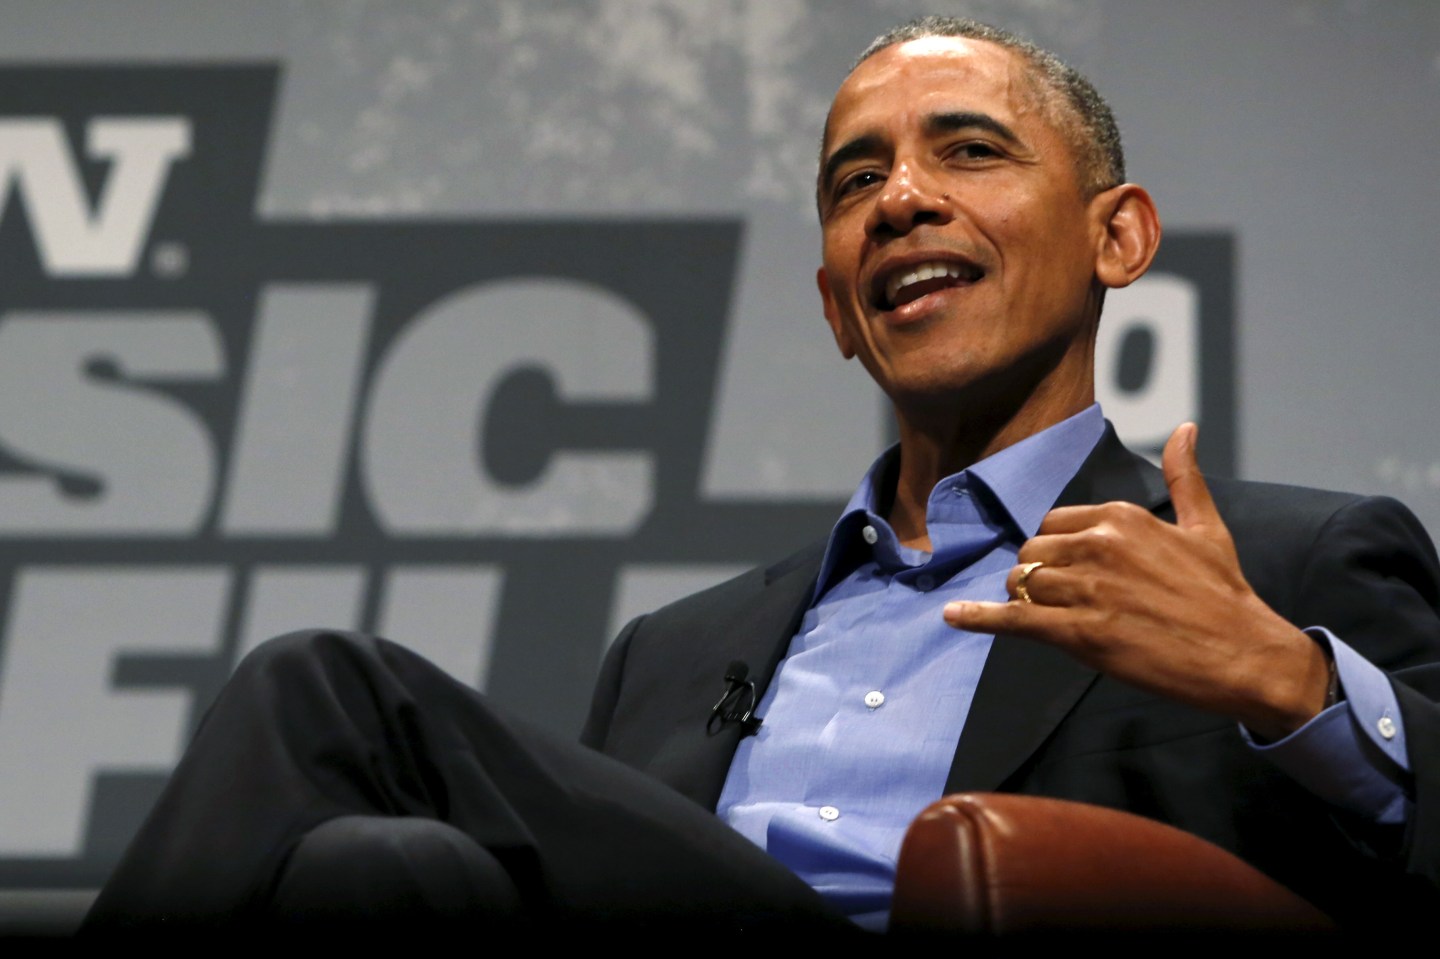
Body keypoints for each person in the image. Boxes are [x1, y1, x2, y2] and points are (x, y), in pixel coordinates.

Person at [81, 15, 1440, 940]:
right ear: (841, 307)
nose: (899, 199)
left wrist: (1297, 688)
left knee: (329, 692)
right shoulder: (676, 653)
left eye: (970, 150)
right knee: (379, 872)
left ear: (1119, 237)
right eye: (856, 181)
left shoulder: (1290, 564)